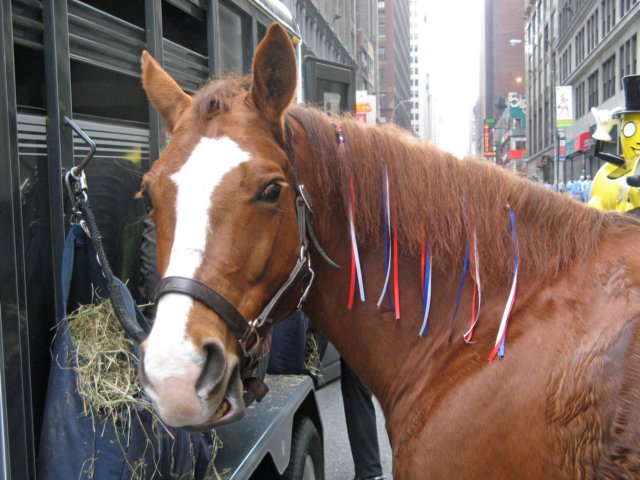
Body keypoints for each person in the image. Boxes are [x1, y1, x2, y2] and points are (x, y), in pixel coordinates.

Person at [268, 311, 385, 480]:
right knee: (299, 385)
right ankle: (299, 458)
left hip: (342, 299)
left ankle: (370, 473)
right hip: (311, 299)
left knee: (354, 374)